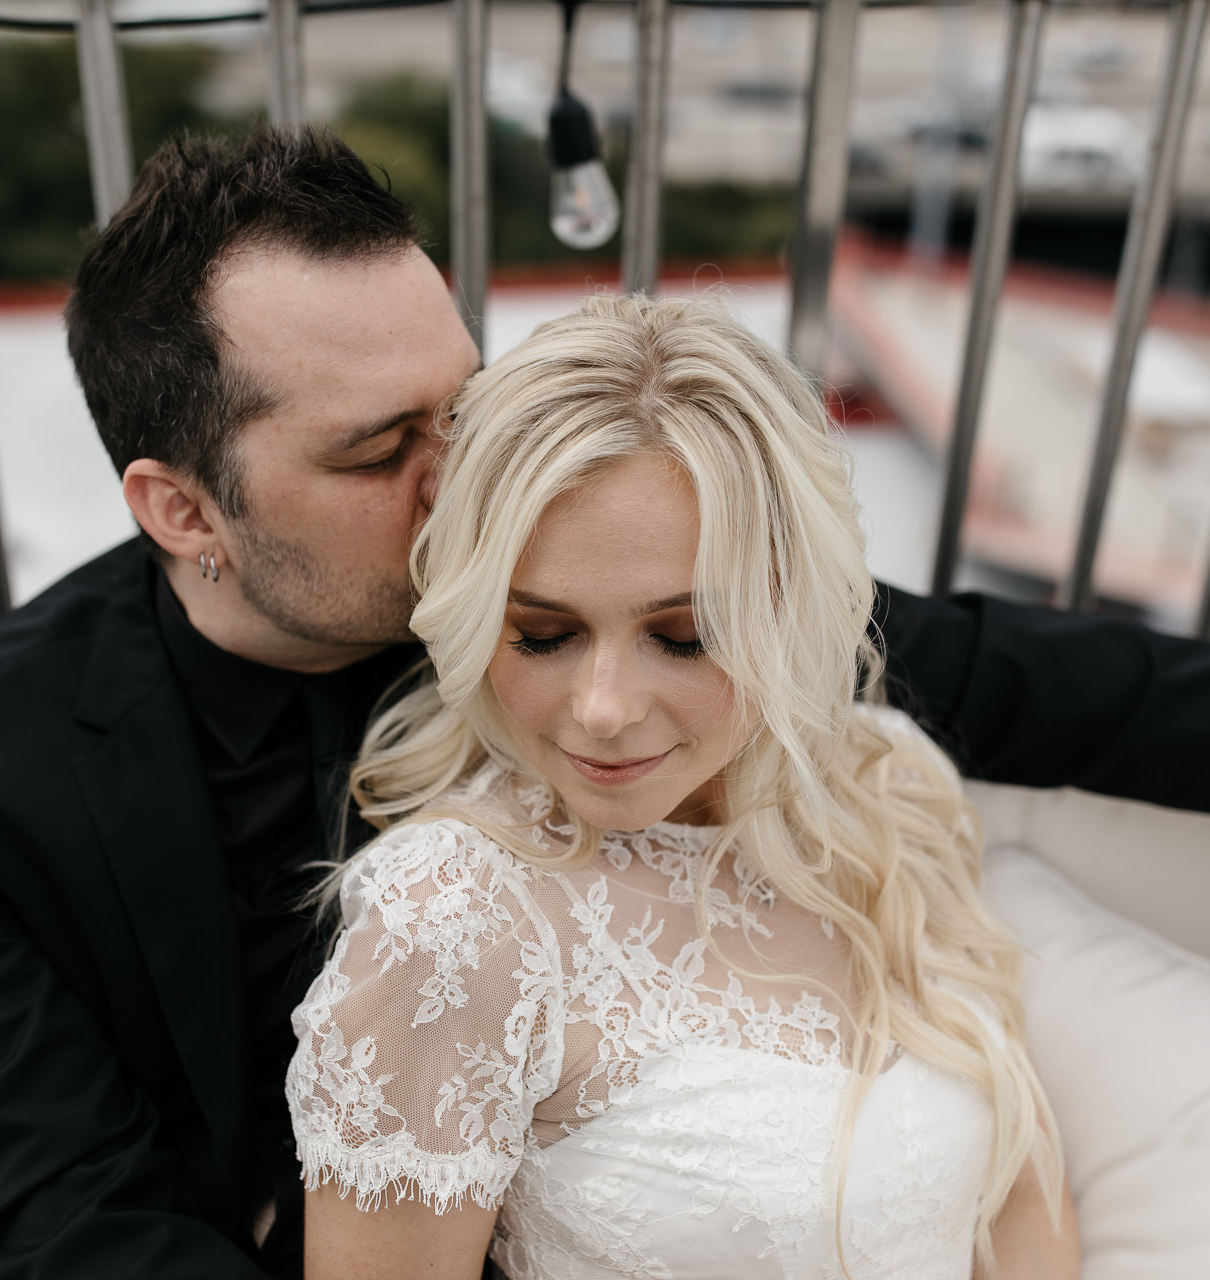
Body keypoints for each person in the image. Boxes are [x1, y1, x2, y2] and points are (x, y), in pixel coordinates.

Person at [0, 126, 1210, 1280]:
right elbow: (61, 1224)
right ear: (182, 510)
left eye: (461, 401)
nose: (467, 479)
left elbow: (1050, 681)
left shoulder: (581, 590)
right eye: (379, 452)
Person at [289, 294, 1077, 1280]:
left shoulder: (892, 788)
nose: (604, 707)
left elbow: (1022, 1197)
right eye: (542, 632)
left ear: (787, 604)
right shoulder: (447, 925)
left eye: (684, 634)